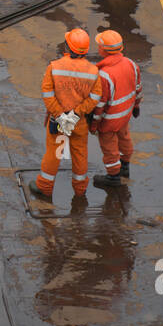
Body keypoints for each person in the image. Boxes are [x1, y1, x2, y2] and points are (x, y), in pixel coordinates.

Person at [29, 28, 101, 202]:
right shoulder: (93, 71)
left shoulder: (54, 67)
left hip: (59, 120)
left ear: (68, 46)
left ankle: (44, 187)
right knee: (79, 153)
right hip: (78, 121)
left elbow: (47, 93)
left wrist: (60, 115)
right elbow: (95, 97)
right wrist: (76, 114)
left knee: (54, 152)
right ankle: (80, 189)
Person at [88, 29, 141, 189]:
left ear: (104, 50)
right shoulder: (131, 64)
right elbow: (137, 87)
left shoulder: (104, 75)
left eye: (99, 45)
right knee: (124, 138)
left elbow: (100, 105)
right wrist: (136, 106)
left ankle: (113, 176)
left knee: (109, 147)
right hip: (125, 115)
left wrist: (94, 125)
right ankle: (125, 167)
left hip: (109, 121)